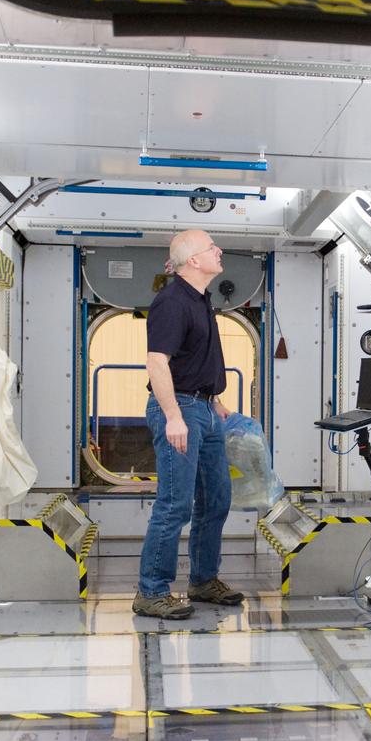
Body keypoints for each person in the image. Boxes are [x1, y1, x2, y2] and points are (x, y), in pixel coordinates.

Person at [133, 230, 246, 619]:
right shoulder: (172, 302)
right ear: (194, 261)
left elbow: (192, 358)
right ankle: (151, 591)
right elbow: (157, 362)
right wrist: (175, 417)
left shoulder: (201, 301)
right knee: (175, 503)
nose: (219, 249)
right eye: (212, 247)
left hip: (204, 409)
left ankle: (202, 580)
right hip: (178, 409)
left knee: (216, 498)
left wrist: (215, 400)